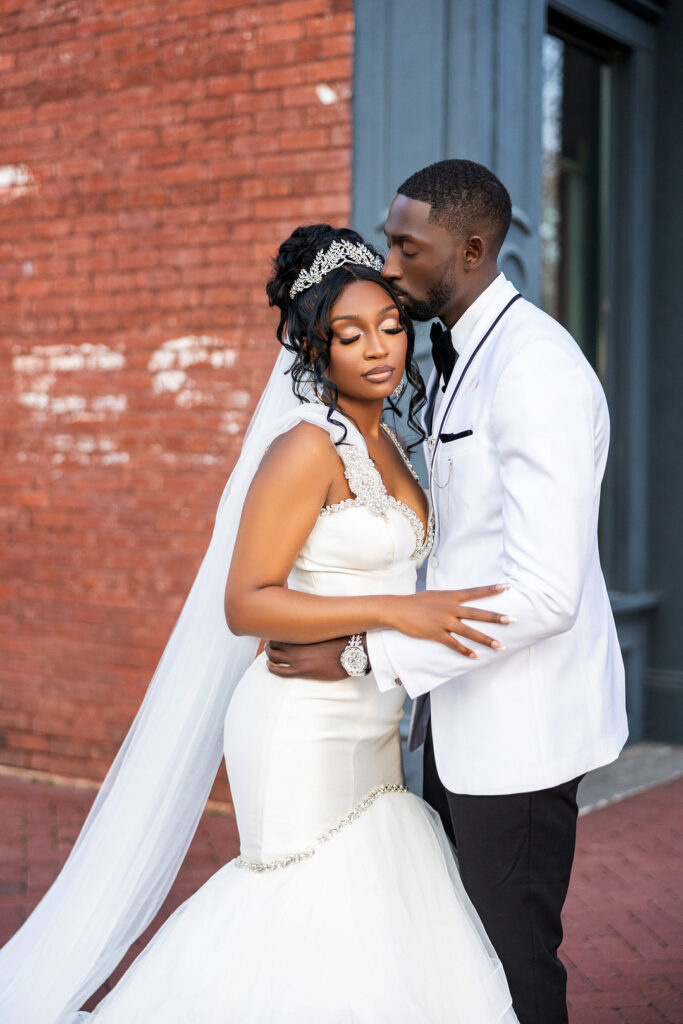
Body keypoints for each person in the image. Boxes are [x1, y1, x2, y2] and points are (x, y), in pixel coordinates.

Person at [0, 224, 521, 1023]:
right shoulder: (305, 450)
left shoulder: (393, 446)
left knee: (368, 927)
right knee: (299, 914)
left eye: (388, 328)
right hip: (298, 725)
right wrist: (394, 609)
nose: (379, 350)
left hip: (371, 714)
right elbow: (246, 601)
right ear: (317, 350)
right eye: (350, 336)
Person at [265, 162, 629, 1024]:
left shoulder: (535, 370)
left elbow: (546, 592)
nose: (387, 262)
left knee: (512, 966)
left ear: (469, 249)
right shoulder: (464, 353)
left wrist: (362, 651)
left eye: (406, 246)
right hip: (459, 714)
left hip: (521, 734)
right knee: (462, 961)